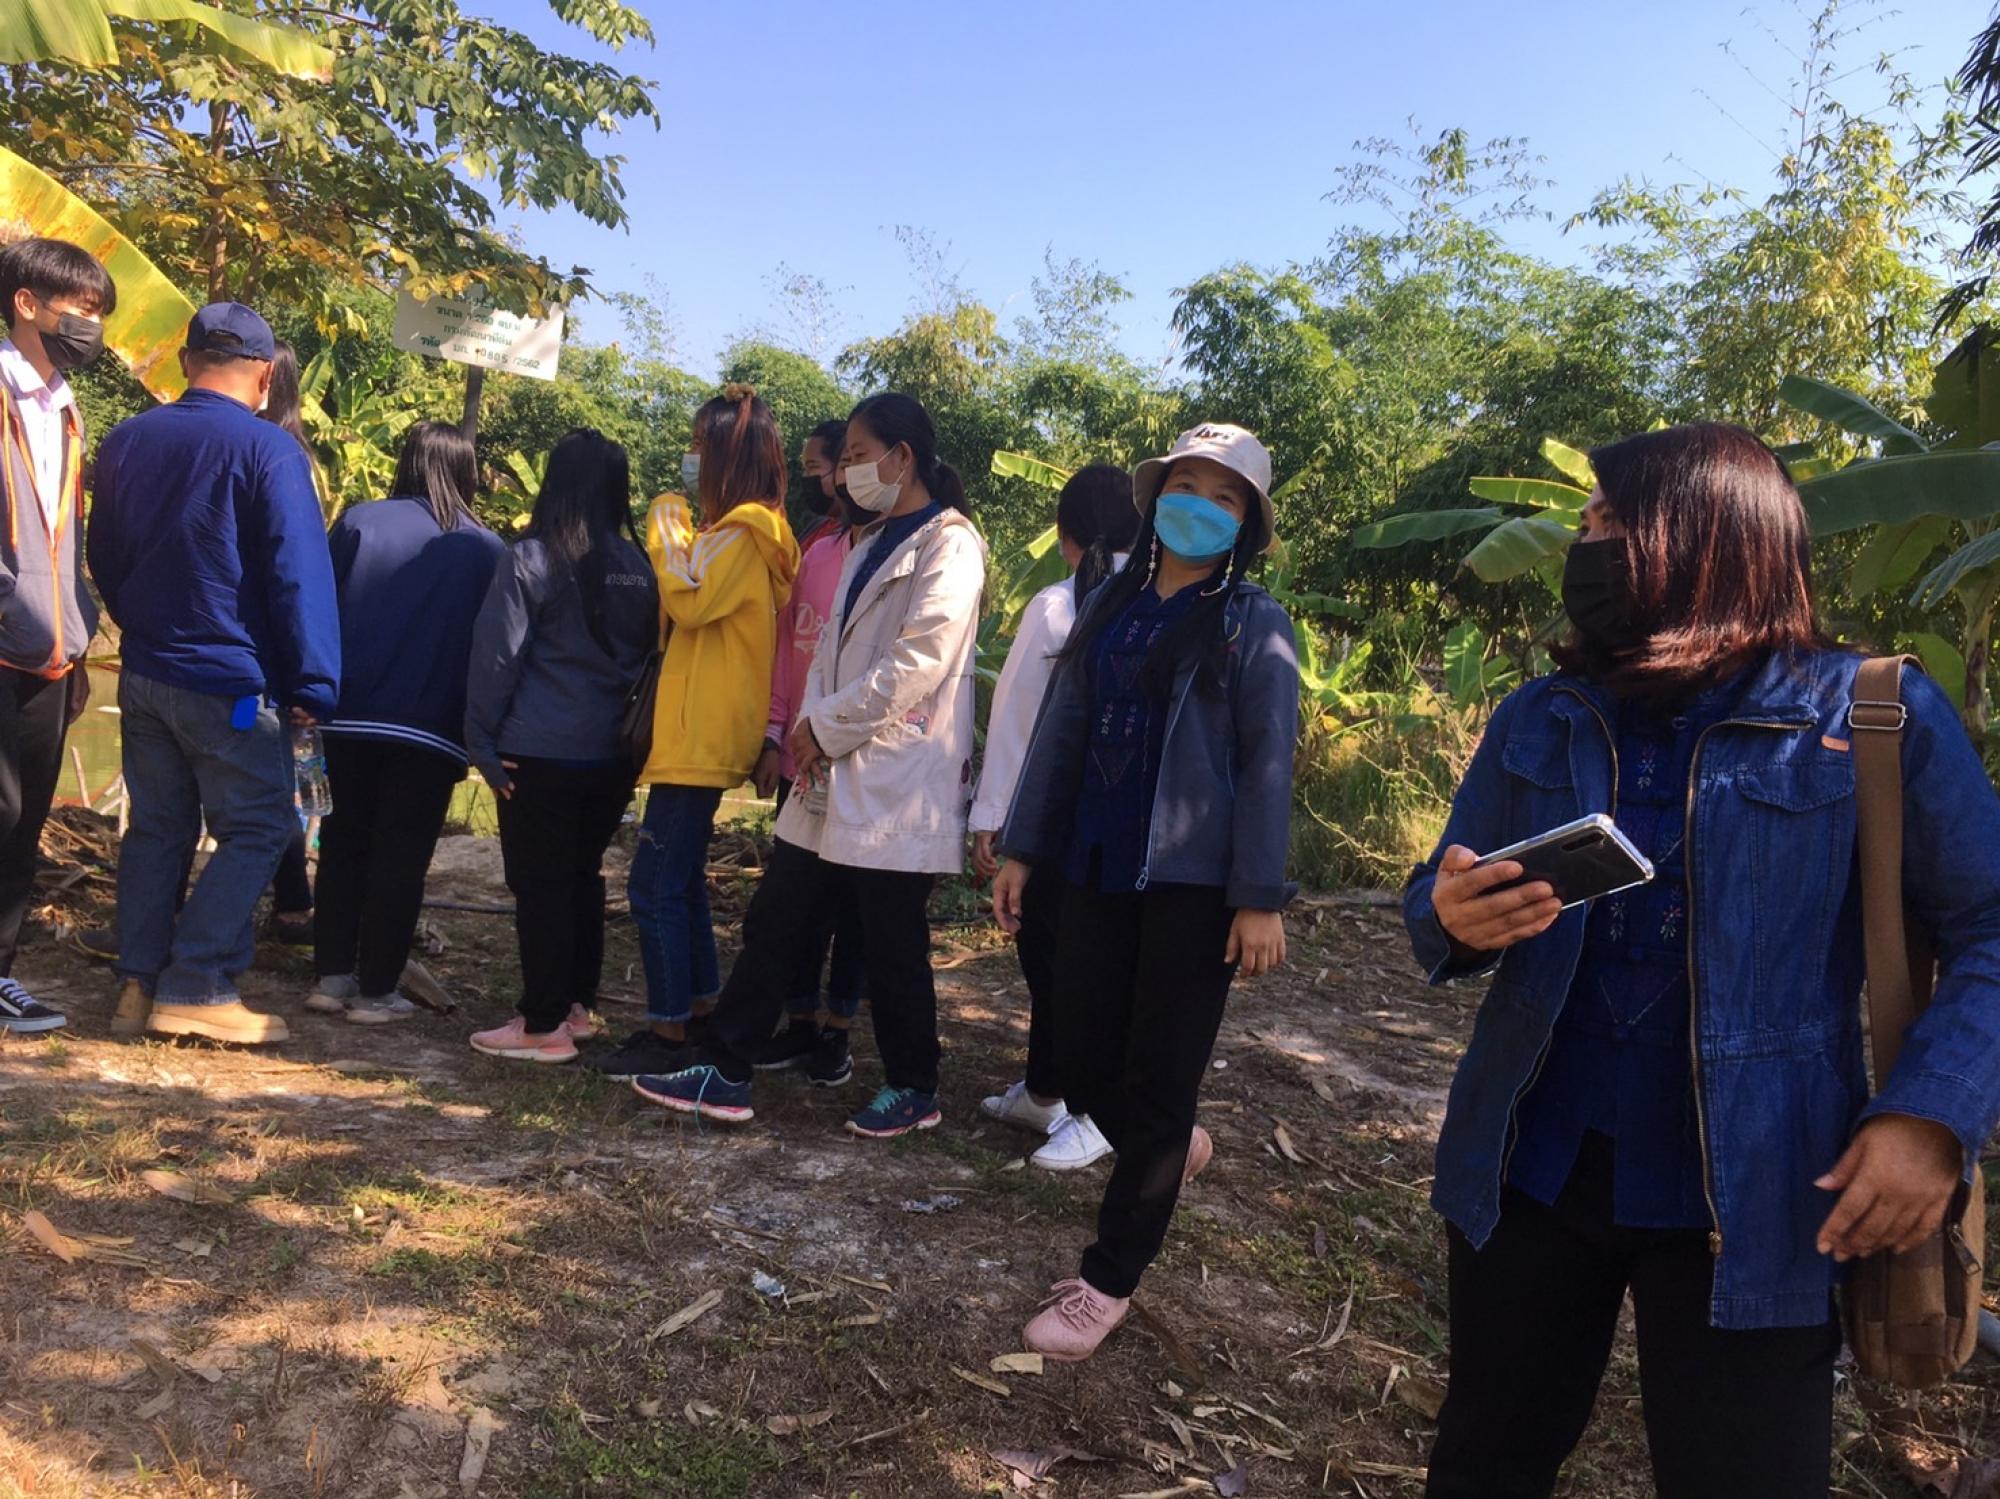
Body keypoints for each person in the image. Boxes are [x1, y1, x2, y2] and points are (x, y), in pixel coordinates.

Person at [1402, 423, 2000, 1498]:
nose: (1581, 547)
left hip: (1766, 1192)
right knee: (1486, 1455)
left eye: (1607, 524)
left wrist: (1930, 1115)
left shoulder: (1869, 714)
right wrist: (1451, 913)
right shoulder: (1542, 713)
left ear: (1700, 538)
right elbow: (1431, 892)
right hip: (1532, 1164)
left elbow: (1990, 927)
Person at [992, 422, 1298, 1362]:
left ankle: (1107, 1280)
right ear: (1156, 497)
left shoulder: (1252, 622)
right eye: (1186, 484)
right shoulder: (1110, 604)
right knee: (1082, 1059)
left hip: (1191, 888)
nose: (1200, 504)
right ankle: (1171, 1145)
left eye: (1225, 495)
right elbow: (1062, 731)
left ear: (1245, 524)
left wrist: (1258, 894)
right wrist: (1022, 847)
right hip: (1093, 862)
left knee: (1160, 1078)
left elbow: (1268, 761)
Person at [630, 392, 985, 1137]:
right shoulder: (865, 540)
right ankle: (726, 1067)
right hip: (826, 770)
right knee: (776, 919)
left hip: (894, 778)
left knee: (891, 940)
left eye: (857, 457)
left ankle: (914, 1085)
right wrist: (806, 727)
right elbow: (825, 648)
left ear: (903, 458)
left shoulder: (951, 545)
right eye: (846, 459)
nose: (846, 473)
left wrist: (825, 726)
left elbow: (921, 658)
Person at [89, 303, 339, 1045]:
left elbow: (105, 555)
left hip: (146, 672)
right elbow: (298, 575)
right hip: (229, 680)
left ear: (185, 362)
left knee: (157, 829)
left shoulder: (127, 439)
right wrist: (314, 683)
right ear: (265, 375)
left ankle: (137, 983)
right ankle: (197, 981)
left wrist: (143, 628)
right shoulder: (270, 451)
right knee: (260, 826)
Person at [588, 386, 799, 1078]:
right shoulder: (741, 535)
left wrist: (665, 519)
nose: (690, 459)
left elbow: (689, 595)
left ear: (728, 460)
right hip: (699, 735)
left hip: (701, 739)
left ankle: (668, 1031)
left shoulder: (743, 534)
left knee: (652, 886)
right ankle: (698, 1009)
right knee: (676, 883)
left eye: (700, 447)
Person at [465, 428, 656, 1064]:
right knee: (581, 875)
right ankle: (577, 1006)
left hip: (538, 749)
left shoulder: (532, 558)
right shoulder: (639, 568)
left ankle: (541, 1022)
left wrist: (480, 740)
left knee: (540, 883)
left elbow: (498, 657)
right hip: (612, 753)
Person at [308, 421, 504, 1024]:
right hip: (432, 730)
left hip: (347, 718)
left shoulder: (360, 522)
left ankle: (330, 978)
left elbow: (317, 607)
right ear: (466, 472)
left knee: (343, 842)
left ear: (408, 461)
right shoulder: (486, 548)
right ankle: (377, 992)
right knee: (401, 857)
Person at [972, 463, 1137, 1171]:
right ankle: (1046, 1090)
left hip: (1055, 824)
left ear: (1066, 536)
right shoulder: (1158, 598)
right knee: (1082, 962)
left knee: (1058, 963)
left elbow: (1015, 723)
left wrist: (995, 817)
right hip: (1126, 826)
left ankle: (1097, 1112)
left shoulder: (1057, 603)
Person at [0, 237, 111, 1034]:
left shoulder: (65, 409)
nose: (91, 324)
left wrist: (76, 635)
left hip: (49, 652)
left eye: (100, 311)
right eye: (80, 307)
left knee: (23, 817)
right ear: (27, 304)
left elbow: (65, 538)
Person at [737, 419, 868, 1080]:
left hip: (858, 766)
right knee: (794, 908)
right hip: (799, 760)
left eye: (829, 467)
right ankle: (798, 1022)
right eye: (825, 468)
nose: (825, 480)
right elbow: (790, 655)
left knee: (851, 908)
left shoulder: (897, 560)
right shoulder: (815, 553)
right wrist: (773, 735)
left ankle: (838, 1031)